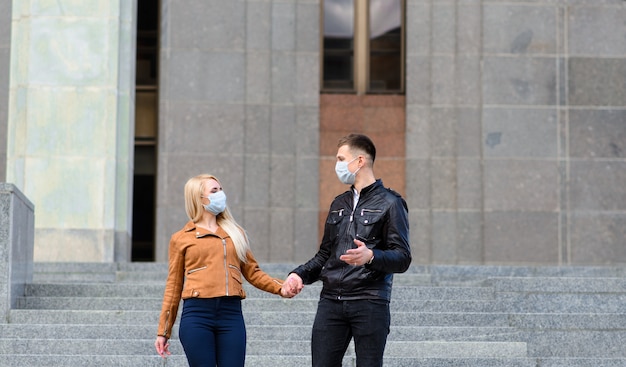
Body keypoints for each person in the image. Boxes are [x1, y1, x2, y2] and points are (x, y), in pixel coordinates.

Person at [283, 133, 412, 367]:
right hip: (331, 301)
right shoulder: (338, 204)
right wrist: (299, 274)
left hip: (369, 301)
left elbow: (402, 258)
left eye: (341, 158)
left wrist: (371, 256)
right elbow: (324, 255)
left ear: (360, 161)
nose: (337, 165)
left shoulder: (391, 203)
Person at [155, 173, 299, 367]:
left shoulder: (235, 233)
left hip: (231, 315)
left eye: (221, 190)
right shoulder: (181, 238)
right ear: (199, 198)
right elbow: (173, 286)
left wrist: (282, 287)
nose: (220, 194)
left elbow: (253, 272)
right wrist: (163, 331)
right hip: (197, 315)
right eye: (214, 191)